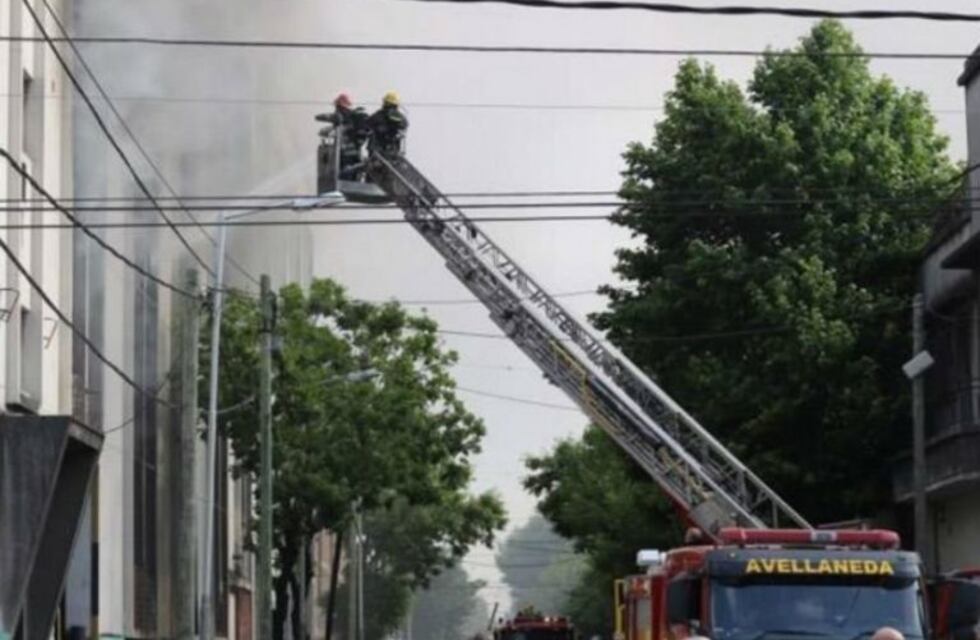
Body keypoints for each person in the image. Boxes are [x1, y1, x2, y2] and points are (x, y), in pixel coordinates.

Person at [315, 92, 369, 179]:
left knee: (343, 175)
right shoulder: (353, 116)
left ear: (339, 104)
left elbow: (323, 117)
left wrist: (318, 118)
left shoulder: (340, 115)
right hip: (355, 152)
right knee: (353, 176)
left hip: (343, 152)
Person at [367, 91, 409, 155]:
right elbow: (405, 125)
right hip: (393, 148)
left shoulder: (379, 114)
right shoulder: (400, 116)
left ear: (386, 103)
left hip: (378, 148)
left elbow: (368, 123)